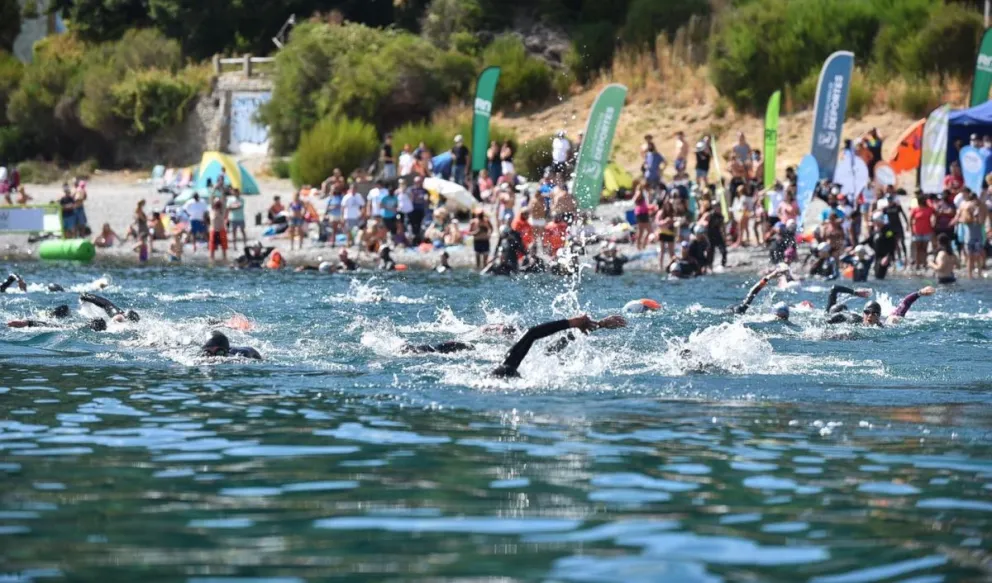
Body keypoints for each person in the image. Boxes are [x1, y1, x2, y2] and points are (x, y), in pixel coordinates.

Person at [491, 315, 626, 378]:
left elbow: (533, 335)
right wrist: (572, 323)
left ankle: (591, 326)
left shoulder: (500, 375)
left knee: (547, 354)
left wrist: (576, 324)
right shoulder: (505, 372)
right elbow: (532, 334)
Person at [828, 286, 935, 326]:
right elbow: (841, 315)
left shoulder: (884, 324)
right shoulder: (855, 319)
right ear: (863, 313)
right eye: (867, 312)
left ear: (879, 316)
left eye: (874, 314)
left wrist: (919, 293)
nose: (870, 316)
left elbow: (905, 304)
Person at [955, 188, 986, 279]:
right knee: (972, 256)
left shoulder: (978, 207)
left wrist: (976, 214)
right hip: (972, 237)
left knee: (974, 255)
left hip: (974, 237)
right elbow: (963, 220)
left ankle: (975, 274)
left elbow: (980, 221)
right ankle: (972, 274)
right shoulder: (967, 207)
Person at [909, 193, 935, 272]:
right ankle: (917, 264)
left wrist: (934, 222)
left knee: (924, 248)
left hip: (927, 230)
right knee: (918, 248)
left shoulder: (929, 208)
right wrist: (911, 229)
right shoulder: (915, 209)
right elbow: (910, 219)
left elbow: (935, 214)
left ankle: (924, 263)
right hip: (917, 230)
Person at [632, 184, 652, 249]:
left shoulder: (643, 193)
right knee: (646, 230)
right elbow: (634, 200)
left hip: (643, 213)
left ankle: (640, 245)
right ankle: (641, 245)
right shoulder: (639, 192)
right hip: (641, 213)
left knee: (642, 231)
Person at [208, 197, 228, 261]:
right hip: (214, 231)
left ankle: (224, 259)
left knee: (224, 249)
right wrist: (214, 189)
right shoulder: (211, 210)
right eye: (216, 202)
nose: (217, 203)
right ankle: (212, 261)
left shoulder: (222, 211)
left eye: (218, 202)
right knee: (212, 250)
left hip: (221, 230)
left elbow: (224, 201)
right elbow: (210, 198)